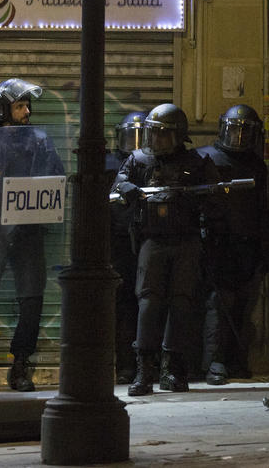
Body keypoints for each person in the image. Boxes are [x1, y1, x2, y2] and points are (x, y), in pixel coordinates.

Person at [111, 103, 223, 396]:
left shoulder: (197, 163)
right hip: (152, 240)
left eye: (162, 135)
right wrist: (129, 191)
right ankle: (143, 371)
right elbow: (118, 185)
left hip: (185, 241)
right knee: (148, 303)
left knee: (181, 304)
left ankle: (173, 369)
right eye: (153, 134)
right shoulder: (138, 160)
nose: (155, 141)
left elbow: (215, 200)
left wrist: (188, 199)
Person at [0, 77, 65, 392]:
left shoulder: (40, 139)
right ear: (3, 109)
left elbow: (56, 176)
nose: (26, 112)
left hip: (28, 232)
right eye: (19, 106)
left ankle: (21, 363)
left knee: (32, 298)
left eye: (26, 105)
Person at [197, 104, 269, 385]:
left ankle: (237, 360)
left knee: (244, 306)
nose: (239, 138)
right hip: (219, 245)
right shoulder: (206, 158)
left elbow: (263, 211)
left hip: (249, 246)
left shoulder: (257, 166)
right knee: (218, 306)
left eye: (245, 133)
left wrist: (268, 250)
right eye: (234, 131)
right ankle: (214, 362)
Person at [106, 110, 148, 385]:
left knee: (145, 302)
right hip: (119, 244)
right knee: (122, 306)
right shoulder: (112, 165)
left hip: (146, 241)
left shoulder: (151, 164)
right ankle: (124, 364)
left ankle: (144, 363)